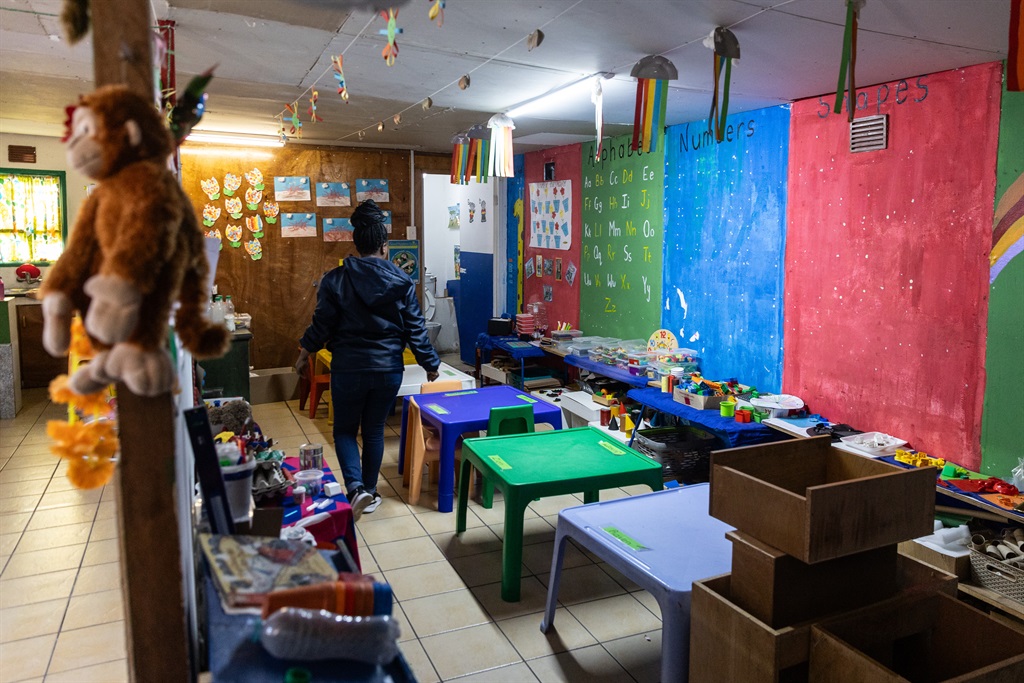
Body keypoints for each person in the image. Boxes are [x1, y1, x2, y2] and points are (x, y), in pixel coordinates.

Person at [296, 199, 439, 520]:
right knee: (374, 429)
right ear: (385, 247)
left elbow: (322, 325)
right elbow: (416, 327)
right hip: (388, 369)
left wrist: (304, 353)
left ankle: (356, 488)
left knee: (345, 430)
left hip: (348, 367)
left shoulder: (335, 279)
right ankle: (370, 492)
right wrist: (430, 363)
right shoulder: (402, 283)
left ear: (357, 244)